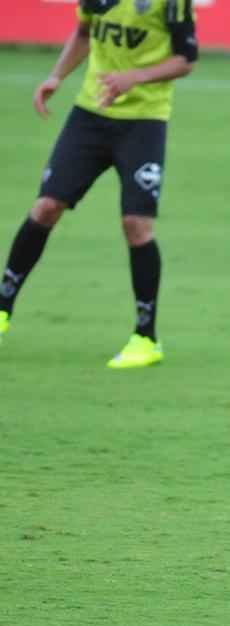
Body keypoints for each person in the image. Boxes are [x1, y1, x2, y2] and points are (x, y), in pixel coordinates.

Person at [0, 0, 198, 367]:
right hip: (89, 115)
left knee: (136, 224)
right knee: (46, 207)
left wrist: (132, 79)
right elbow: (84, 32)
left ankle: (146, 338)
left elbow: (185, 59)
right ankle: (3, 307)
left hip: (144, 121)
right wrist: (56, 76)